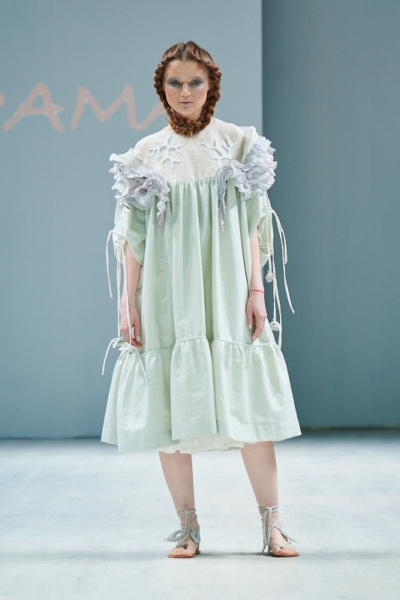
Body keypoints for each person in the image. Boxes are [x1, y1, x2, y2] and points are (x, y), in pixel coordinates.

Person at [101, 41, 301, 558]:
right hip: (168, 295)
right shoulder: (145, 154)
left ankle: (273, 526)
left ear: (211, 85)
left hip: (227, 290)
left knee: (249, 407)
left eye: (195, 81)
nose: (185, 91)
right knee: (171, 411)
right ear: (161, 89)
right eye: (175, 82)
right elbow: (134, 239)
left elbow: (254, 224)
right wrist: (128, 303)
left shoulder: (238, 143)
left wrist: (256, 290)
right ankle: (187, 529)